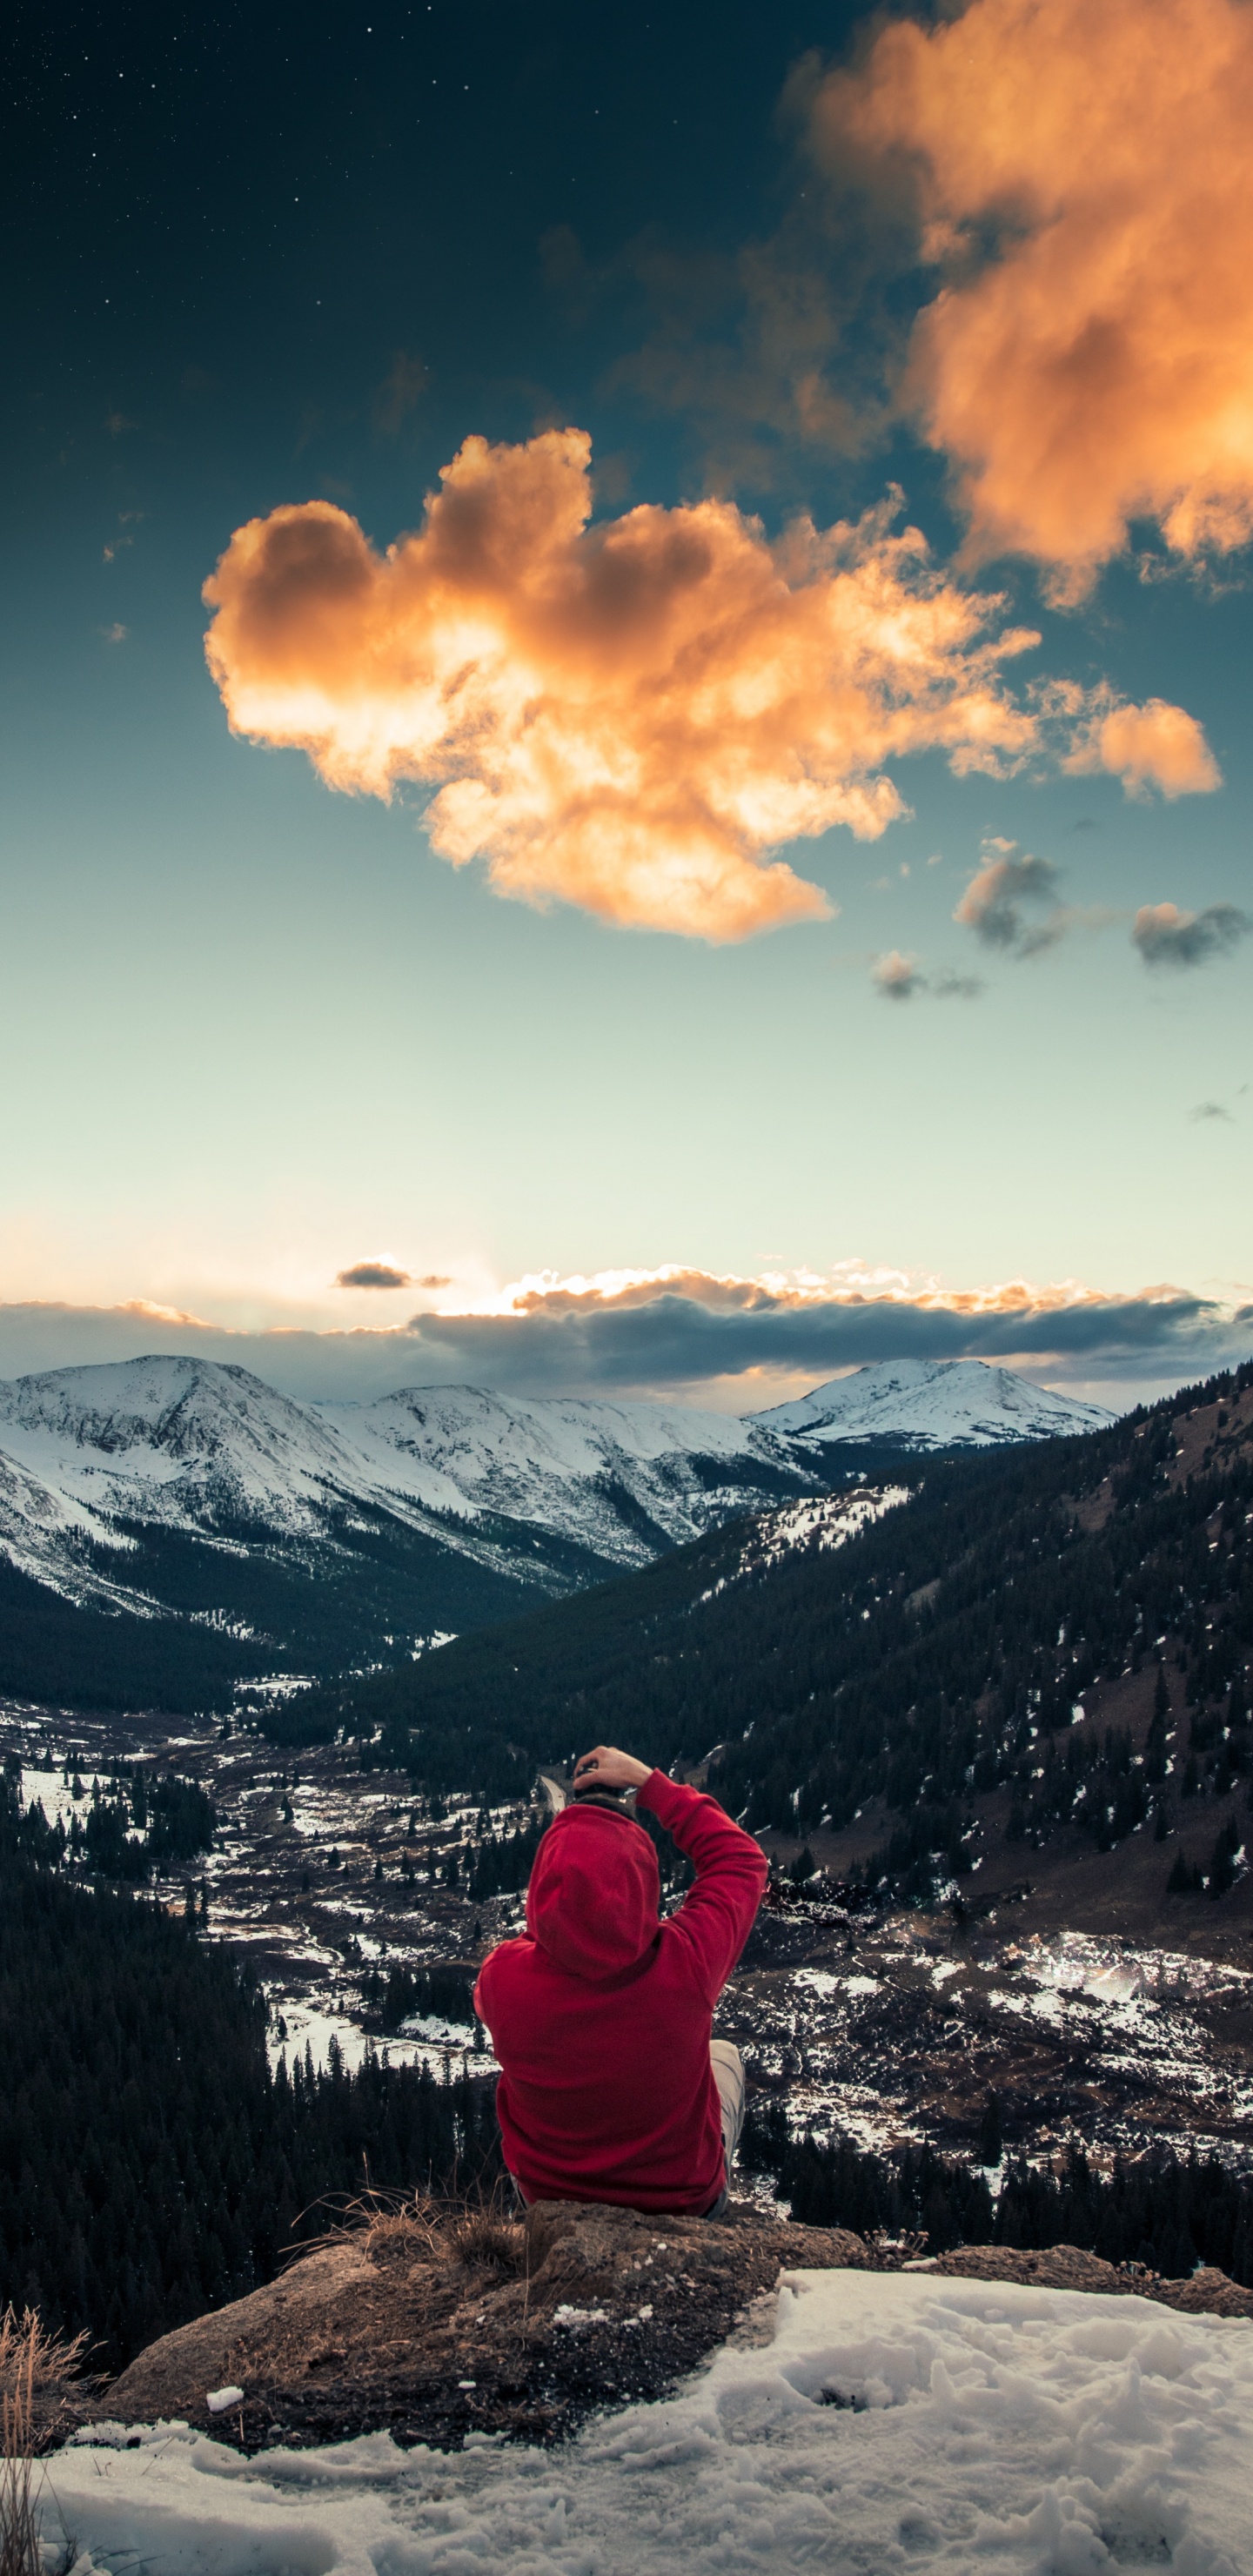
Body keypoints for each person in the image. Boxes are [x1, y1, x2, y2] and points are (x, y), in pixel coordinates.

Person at [472, 1743, 768, 2216]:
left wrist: (558, 1913)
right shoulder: (686, 1961)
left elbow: (535, 1947)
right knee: (723, 2056)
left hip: (548, 2198)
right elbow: (740, 1861)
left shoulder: (501, 1979)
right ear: (642, 1882)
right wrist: (652, 1784)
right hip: (684, 2204)